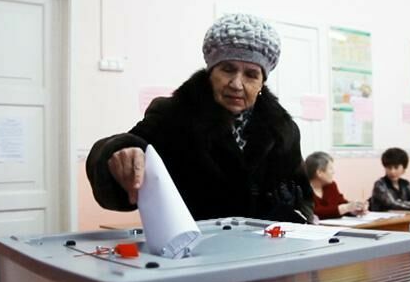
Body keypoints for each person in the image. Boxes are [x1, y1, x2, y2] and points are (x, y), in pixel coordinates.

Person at [86, 13, 312, 223]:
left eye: (251, 74)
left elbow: (302, 197)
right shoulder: (173, 115)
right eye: (227, 69)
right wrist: (122, 153)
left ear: (262, 83)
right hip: (192, 253)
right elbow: (128, 147)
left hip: (268, 254)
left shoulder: (283, 129)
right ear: (210, 73)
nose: (236, 84)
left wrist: (293, 209)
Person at [306, 151, 367, 220]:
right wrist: (346, 208)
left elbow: (341, 203)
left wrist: (354, 210)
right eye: (330, 169)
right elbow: (313, 213)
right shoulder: (303, 188)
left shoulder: (331, 185)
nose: (333, 172)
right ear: (319, 172)